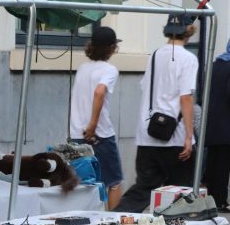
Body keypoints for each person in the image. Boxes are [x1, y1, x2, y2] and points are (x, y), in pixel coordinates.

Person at [115, 14, 199, 213]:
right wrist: (189, 136)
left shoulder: (155, 55)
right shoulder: (188, 59)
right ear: (189, 31)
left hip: (148, 133)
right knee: (181, 190)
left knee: (144, 187)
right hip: (175, 137)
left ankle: (117, 219)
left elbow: (146, 86)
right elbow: (185, 97)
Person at [69, 26, 125, 209]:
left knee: (84, 183)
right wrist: (92, 125)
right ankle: (114, 224)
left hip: (76, 133)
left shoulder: (82, 68)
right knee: (114, 182)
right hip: (98, 134)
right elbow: (99, 92)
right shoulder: (110, 70)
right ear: (112, 48)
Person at [204, 38, 230, 212]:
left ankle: (213, 200)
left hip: (213, 122)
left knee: (214, 163)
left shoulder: (216, 64)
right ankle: (219, 201)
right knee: (222, 165)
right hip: (226, 124)